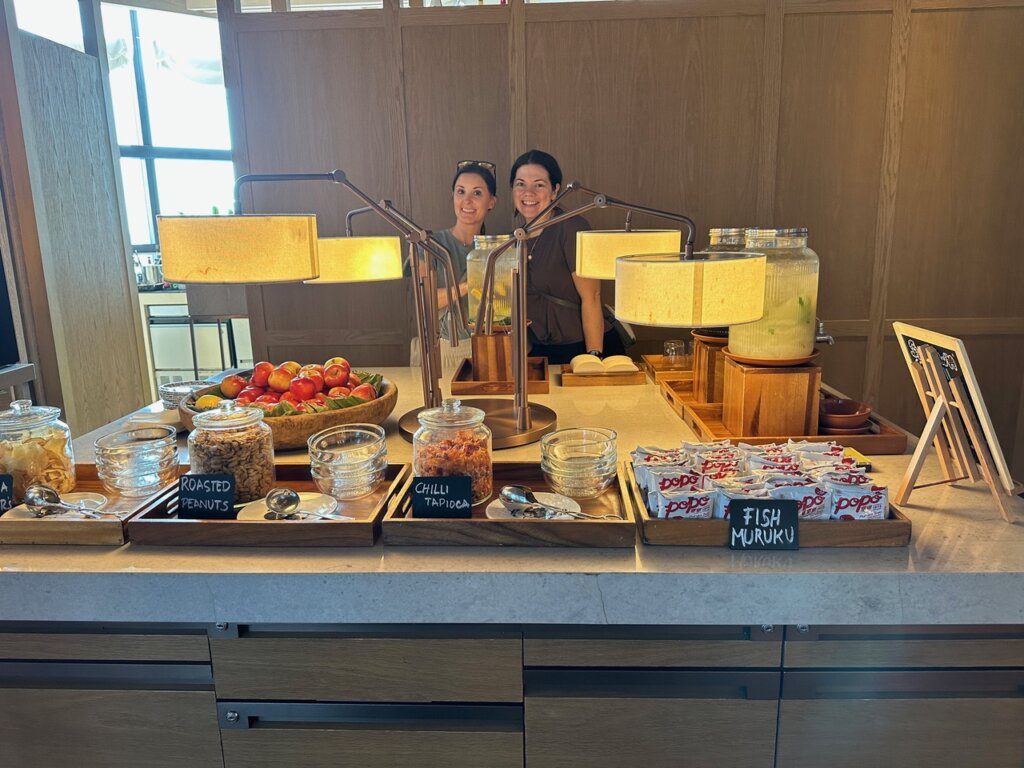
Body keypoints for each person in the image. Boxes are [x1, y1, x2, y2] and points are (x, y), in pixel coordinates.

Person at [510, 149, 624, 365]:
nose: (528, 193)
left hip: (583, 348)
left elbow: (592, 297)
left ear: (555, 191)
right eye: (520, 184)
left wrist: (593, 358)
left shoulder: (572, 227)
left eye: (539, 185)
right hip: (542, 351)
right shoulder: (514, 239)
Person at [409, 160, 497, 370]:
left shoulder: (497, 249)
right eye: (460, 192)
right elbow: (426, 300)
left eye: (477, 193)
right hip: (441, 350)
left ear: (491, 202)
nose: (467, 201)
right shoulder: (428, 245)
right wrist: (470, 284)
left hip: (487, 349)